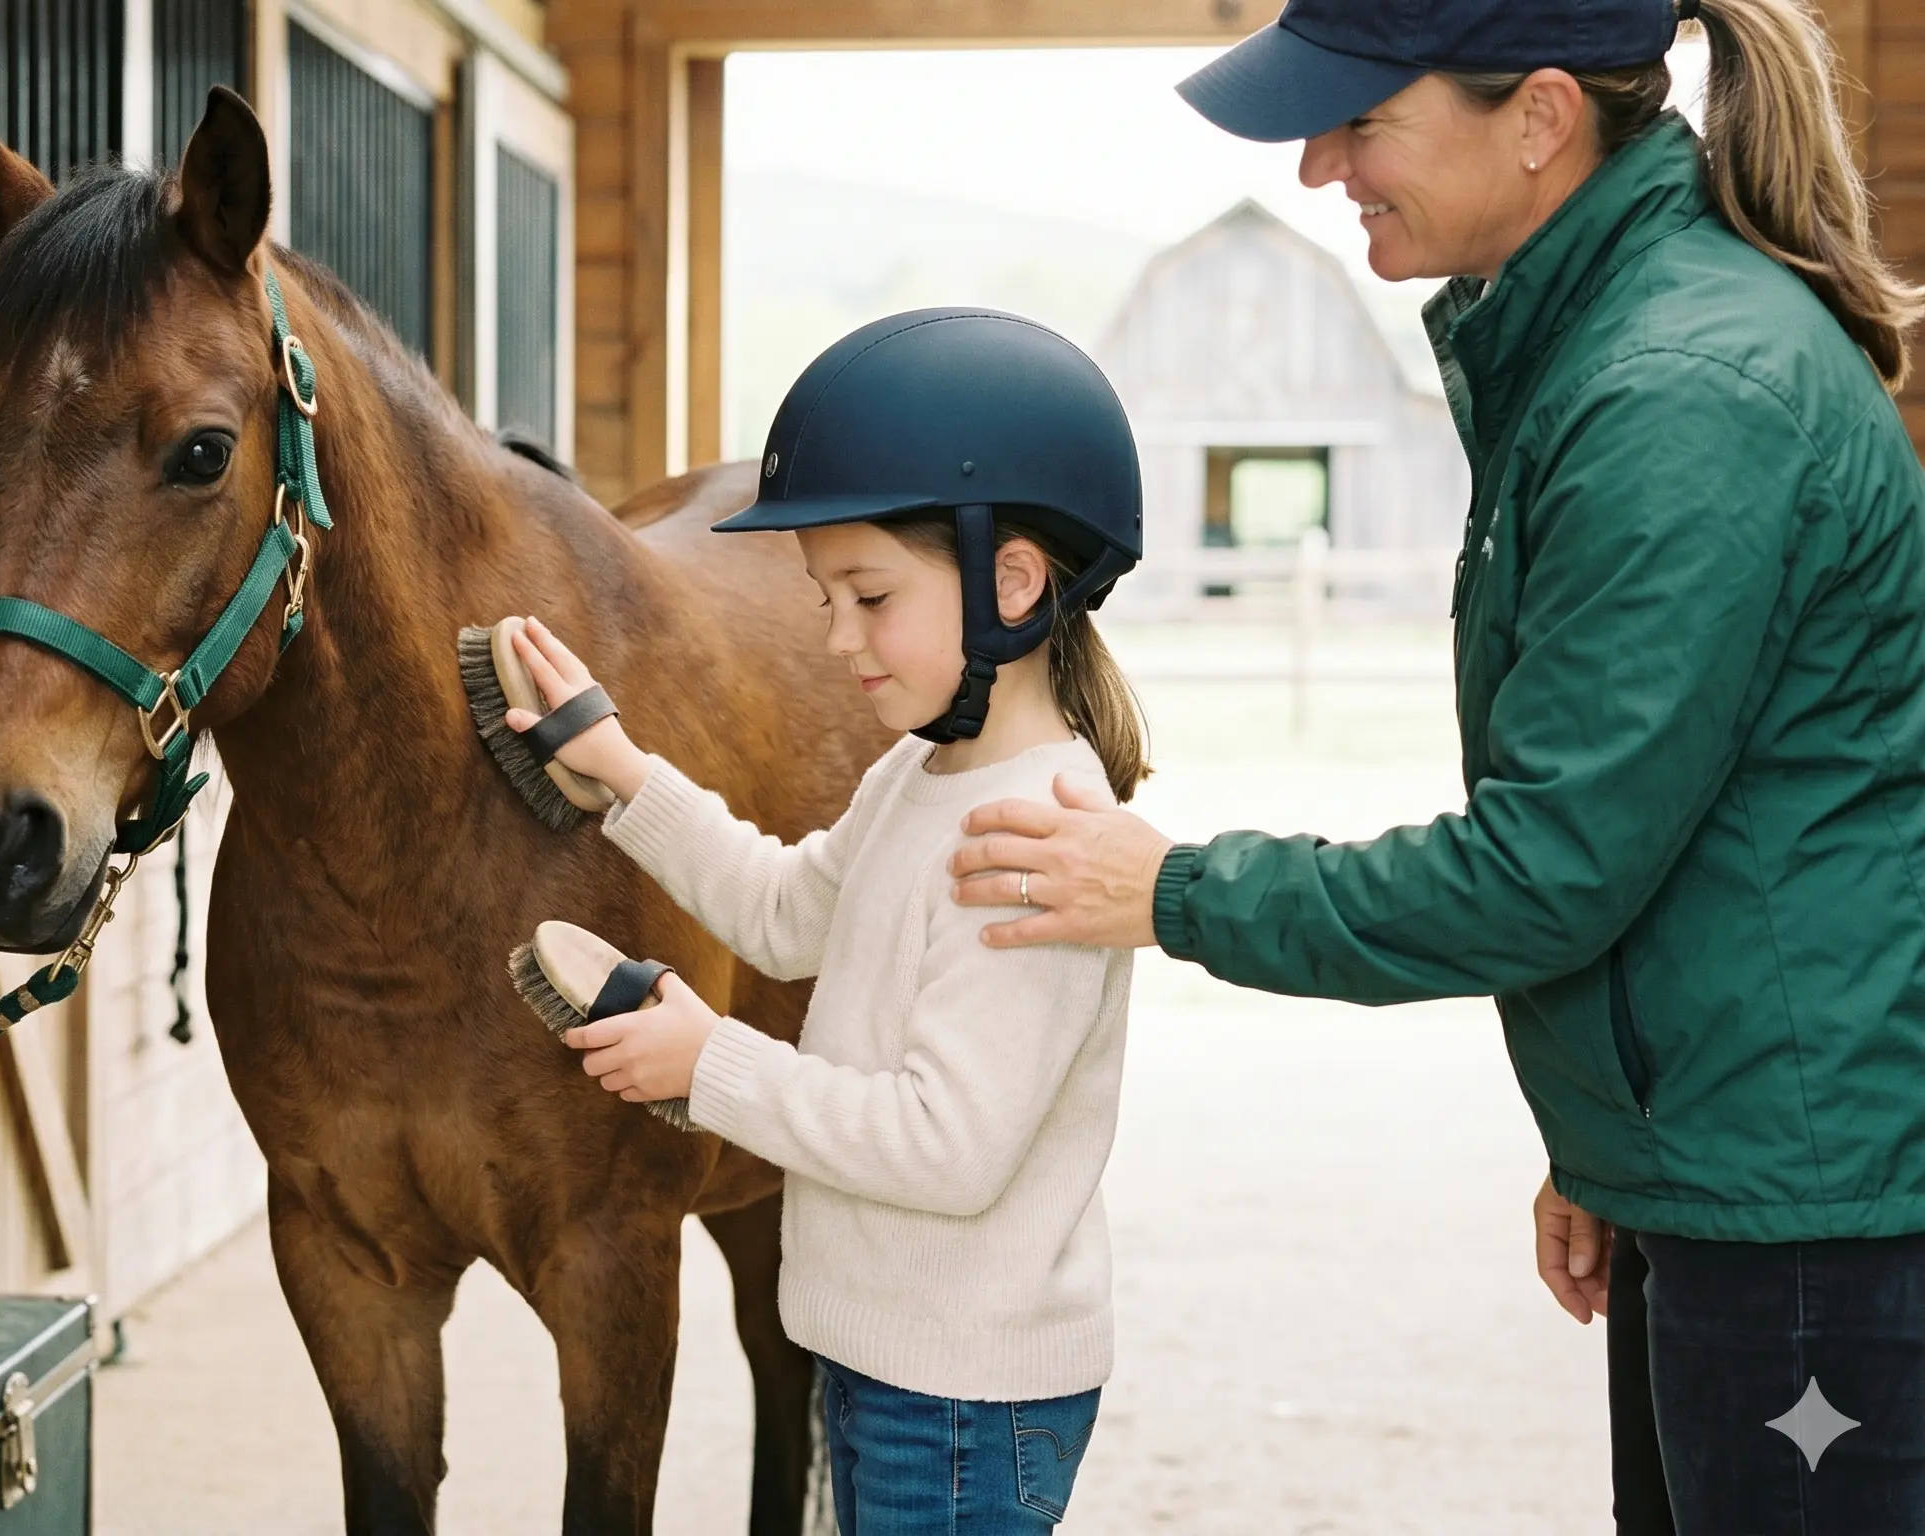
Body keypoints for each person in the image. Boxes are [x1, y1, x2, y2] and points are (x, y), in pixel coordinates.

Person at [949, 0, 1925, 1530]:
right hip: (1746, 1163)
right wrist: (1625, 1141)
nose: (1323, 163)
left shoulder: (1676, 393)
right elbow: (1707, 826)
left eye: (1363, 119)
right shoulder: (1610, 344)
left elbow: (1550, 870)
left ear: (1537, 119)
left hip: (1812, 1206)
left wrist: (1175, 892)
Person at [500, 308, 1147, 1532]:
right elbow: (791, 914)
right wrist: (628, 774)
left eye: (867, 595)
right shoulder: (921, 771)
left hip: (961, 1398)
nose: (837, 639)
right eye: (824, 598)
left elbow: (943, 1146)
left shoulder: (1038, 836)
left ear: (1012, 581)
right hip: (883, 1355)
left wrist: (711, 1066)